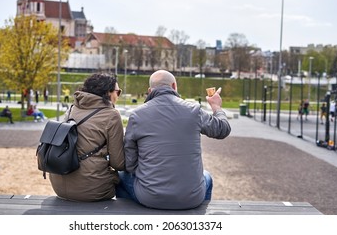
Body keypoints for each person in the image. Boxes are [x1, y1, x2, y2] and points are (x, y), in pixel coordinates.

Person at [116, 70, 231, 210]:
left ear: (149, 90)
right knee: (207, 177)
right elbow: (222, 130)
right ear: (174, 86)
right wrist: (216, 107)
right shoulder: (194, 110)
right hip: (192, 198)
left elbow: (130, 164)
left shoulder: (137, 115)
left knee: (120, 177)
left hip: (150, 197)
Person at [49, 73, 125, 202]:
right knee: (128, 178)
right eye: (118, 92)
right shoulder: (111, 115)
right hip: (92, 189)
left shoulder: (72, 109)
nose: (118, 96)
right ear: (108, 92)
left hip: (59, 186)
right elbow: (118, 163)